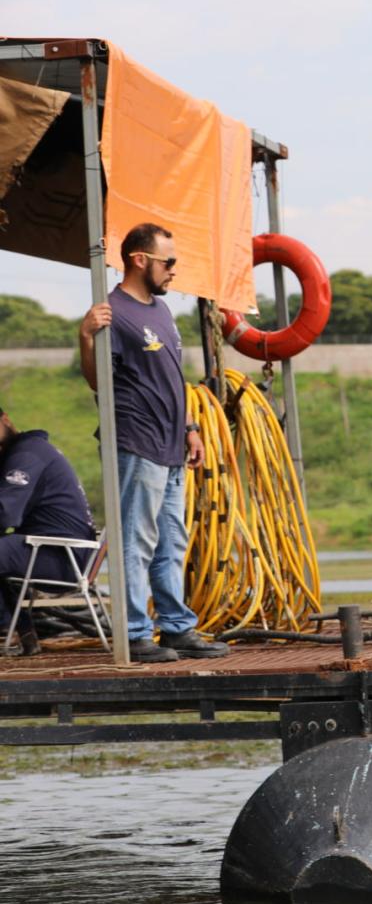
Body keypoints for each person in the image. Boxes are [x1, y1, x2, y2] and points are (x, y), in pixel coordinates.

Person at [78, 222, 228, 662]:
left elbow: (171, 379)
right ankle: (135, 632)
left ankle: (177, 627)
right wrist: (86, 336)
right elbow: (98, 382)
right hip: (137, 440)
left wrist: (190, 428)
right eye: (169, 262)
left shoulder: (161, 312)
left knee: (171, 540)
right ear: (139, 259)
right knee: (136, 540)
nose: (174, 271)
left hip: (170, 444)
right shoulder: (112, 313)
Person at [0, 407, 97, 651]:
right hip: (53, 550)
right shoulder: (26, 451)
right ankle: (19, 633)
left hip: (63, 558)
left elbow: (4, 514)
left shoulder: (26, 456)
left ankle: (5, 630)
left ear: (6, 420)